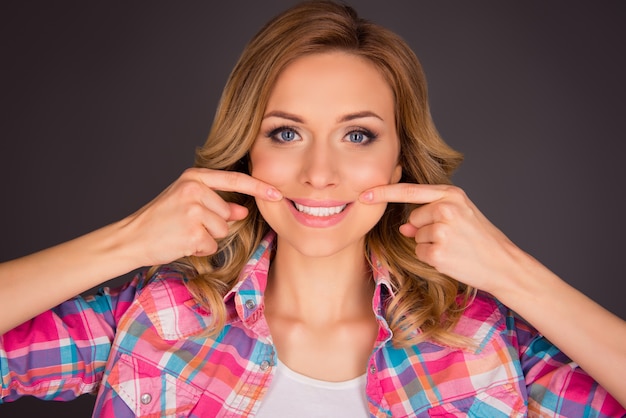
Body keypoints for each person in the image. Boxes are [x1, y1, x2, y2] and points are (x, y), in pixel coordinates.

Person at [1, 1, 625, 416]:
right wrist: (128, 243)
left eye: (358, 135)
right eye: (285, 133)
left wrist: (511, 272)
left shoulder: (484, 341)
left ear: (399, 162)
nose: (320, 174)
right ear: (248, 154)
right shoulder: (153, 318)